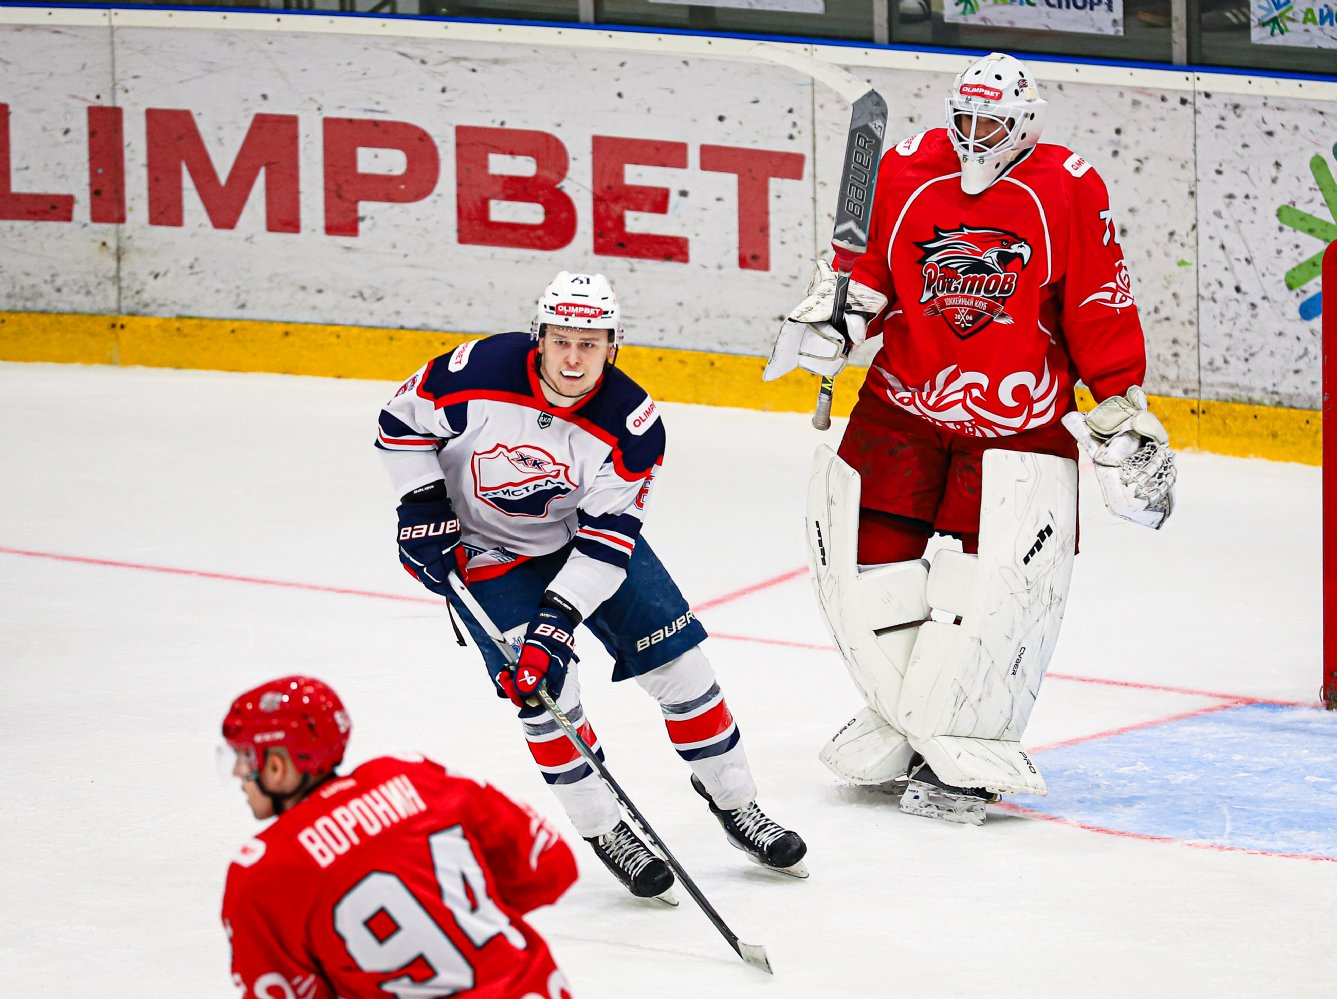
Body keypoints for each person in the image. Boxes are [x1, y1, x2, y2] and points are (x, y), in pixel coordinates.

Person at [765, 53, 1177, 824]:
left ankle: (970, 739)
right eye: (966, 119)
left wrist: (1119, 401)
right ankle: (909, 717)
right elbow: (870, 275)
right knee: (858, 569)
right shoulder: (905, 169)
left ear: (1026, 124)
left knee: (991, 593)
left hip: (1018, 425)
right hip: (903, 407)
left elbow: (1097, 300)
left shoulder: (1067, 187)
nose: (976, 136)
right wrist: (838, 319)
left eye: (993, 124)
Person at [376, 271, 808, 901]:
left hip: (583, 539)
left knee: (684, 670)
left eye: (590, 343)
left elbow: (606, 544)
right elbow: (399, 424)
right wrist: (420, 505)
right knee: (547, 697)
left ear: (613, 345)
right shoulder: (476, 371)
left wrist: (556, 623)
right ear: (539, 338)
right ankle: (607, 829)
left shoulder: (632, 423)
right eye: (561, 341)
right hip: (485, 551)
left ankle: (738, 804)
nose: (573, 358)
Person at [220, 675, 576, 999]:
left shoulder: (261, 872)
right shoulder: (413, 776)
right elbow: (552, 865)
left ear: (277, 766)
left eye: (245, 756)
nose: (238, 772)